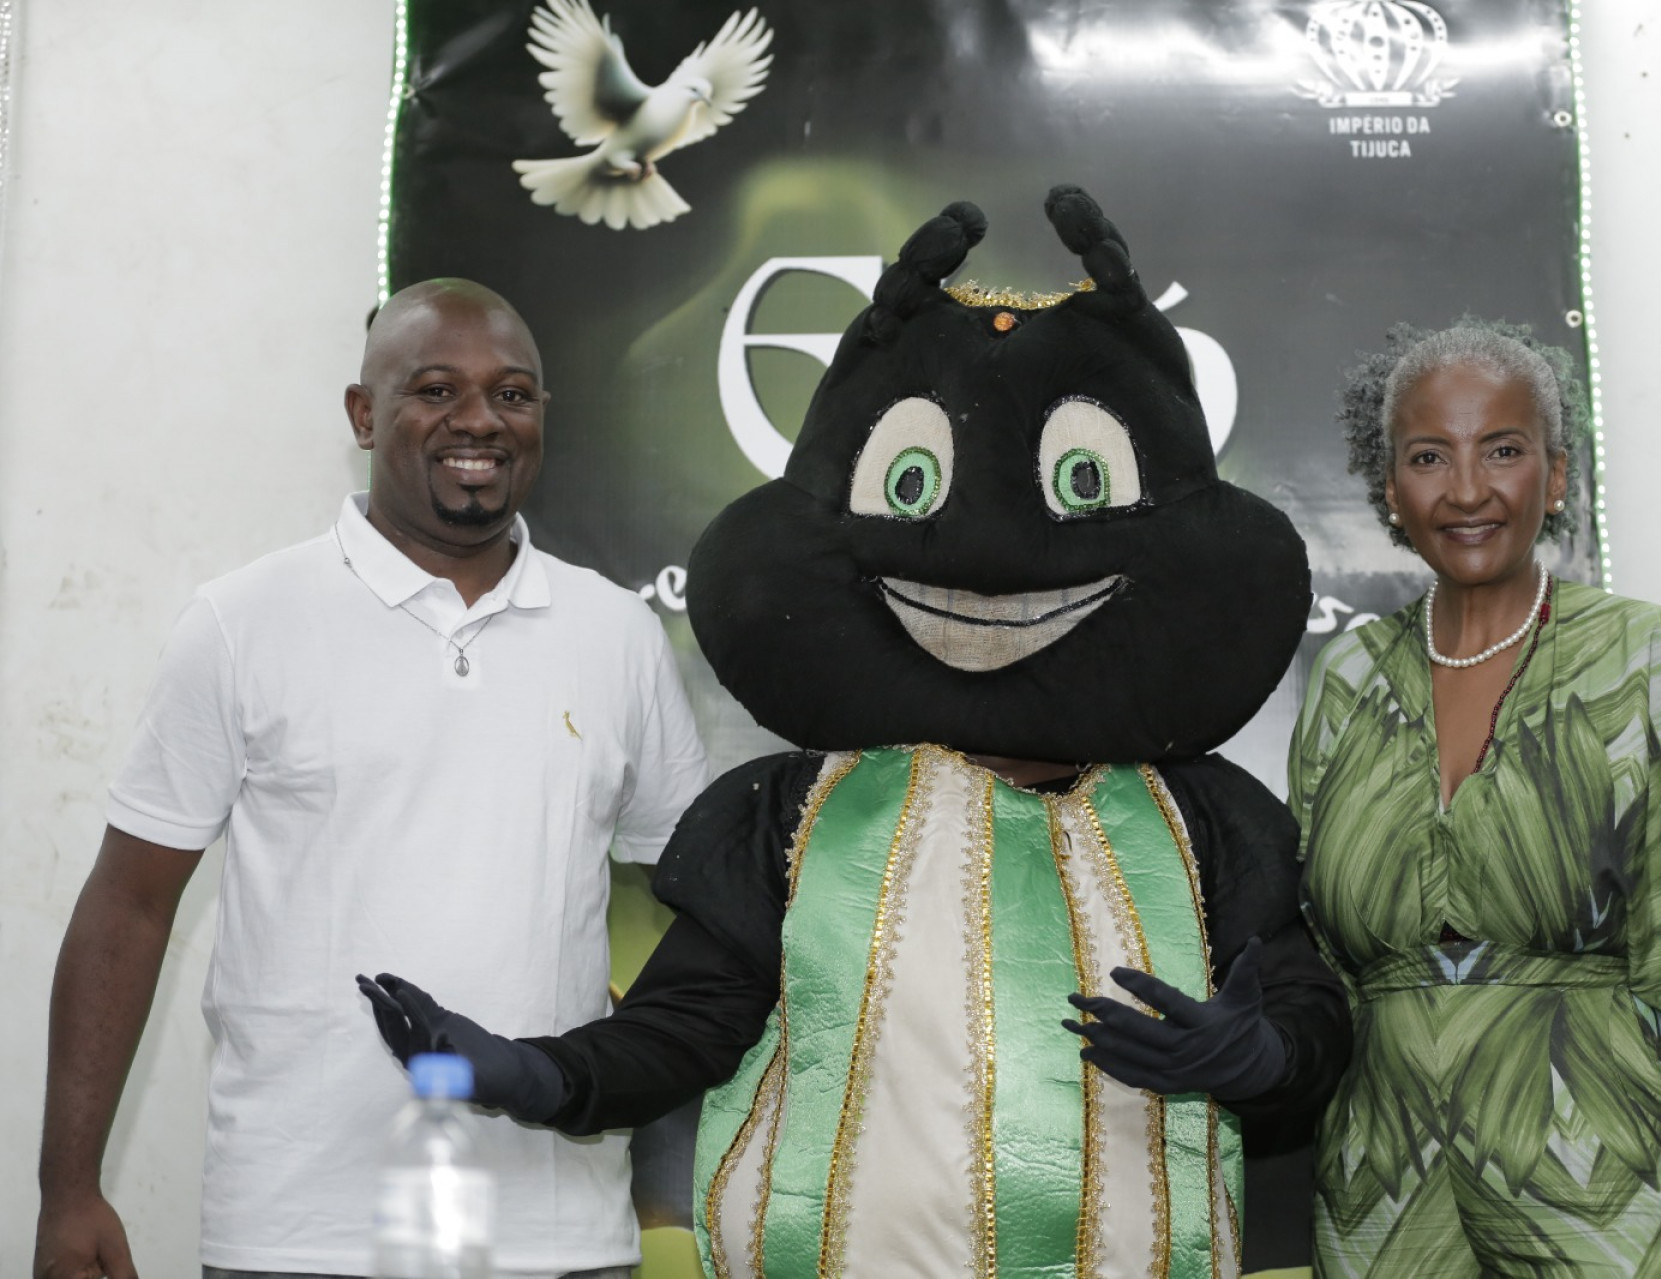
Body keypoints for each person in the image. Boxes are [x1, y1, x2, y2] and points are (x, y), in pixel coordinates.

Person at [355, 190, 1351, 1277]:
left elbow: (1304, 1017)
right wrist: (525, 1074)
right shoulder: (795, 812)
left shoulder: (1201, 818)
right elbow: (690, 1020)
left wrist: (1257, 1054)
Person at [33, 279, 708, 1279]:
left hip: (557, 1230)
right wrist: (69, 1188)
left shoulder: (616, 635)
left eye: (513, 395)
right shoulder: (243, 622)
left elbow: (693, 928)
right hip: (299, 1230)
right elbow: (130, 904)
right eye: (436, 389)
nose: (479, 419)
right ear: (364, 413)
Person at [1288, 320, 1661, 1278]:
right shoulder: (1344, 681)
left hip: (1611, 1198)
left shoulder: (1645, 658)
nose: (1468, 489)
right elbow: (1322, 974)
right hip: (1381, 1211)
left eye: (1504, 451)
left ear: (1556, 479)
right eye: (1429, 456)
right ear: (1391, 493)